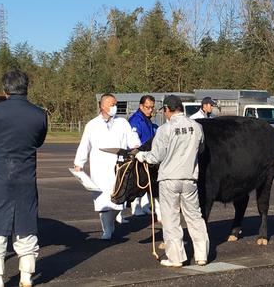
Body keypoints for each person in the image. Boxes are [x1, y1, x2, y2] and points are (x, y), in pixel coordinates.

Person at [0, 70, 48, 287]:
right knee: (26, 224)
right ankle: (26, 276)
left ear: (5, 90)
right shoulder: (39, 114)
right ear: (26, 88)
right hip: (26, 179)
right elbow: (39, 141)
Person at [135, 95, 210, 267]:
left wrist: (142, 155)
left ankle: (176, 258)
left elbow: (155, 157)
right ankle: (201, 255)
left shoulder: (164, 129)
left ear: (168, 109)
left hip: (169, 179)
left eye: (164, 111)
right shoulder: (197, 127)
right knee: (195, 217)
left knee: (171, 219)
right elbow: (202, 149)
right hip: (190, 178)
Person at [74, 93, 141, 240]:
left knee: (118, 200)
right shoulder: (92, 125)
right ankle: (107, 229)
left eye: (115, 104)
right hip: (100, 168)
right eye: (112, 104)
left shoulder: (122, 123)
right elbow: (84, 145)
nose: (115, 107)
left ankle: (112, 222)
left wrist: (136, 146)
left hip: (119, 168)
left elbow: (132, 138)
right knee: (103, 201)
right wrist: (79, 164)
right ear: (102, 105)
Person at [127, 95, 161, 218]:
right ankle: (135, 207)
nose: (151, 110)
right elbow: (133, 137)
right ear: (141, 106)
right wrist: (138, 151)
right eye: (148, 107)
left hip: (148, 156)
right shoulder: (136, 120)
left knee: (148, 182)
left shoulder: (148, 119)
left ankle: (145, 205)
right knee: (138, 182)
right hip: (139, 155)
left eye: (152, 107)